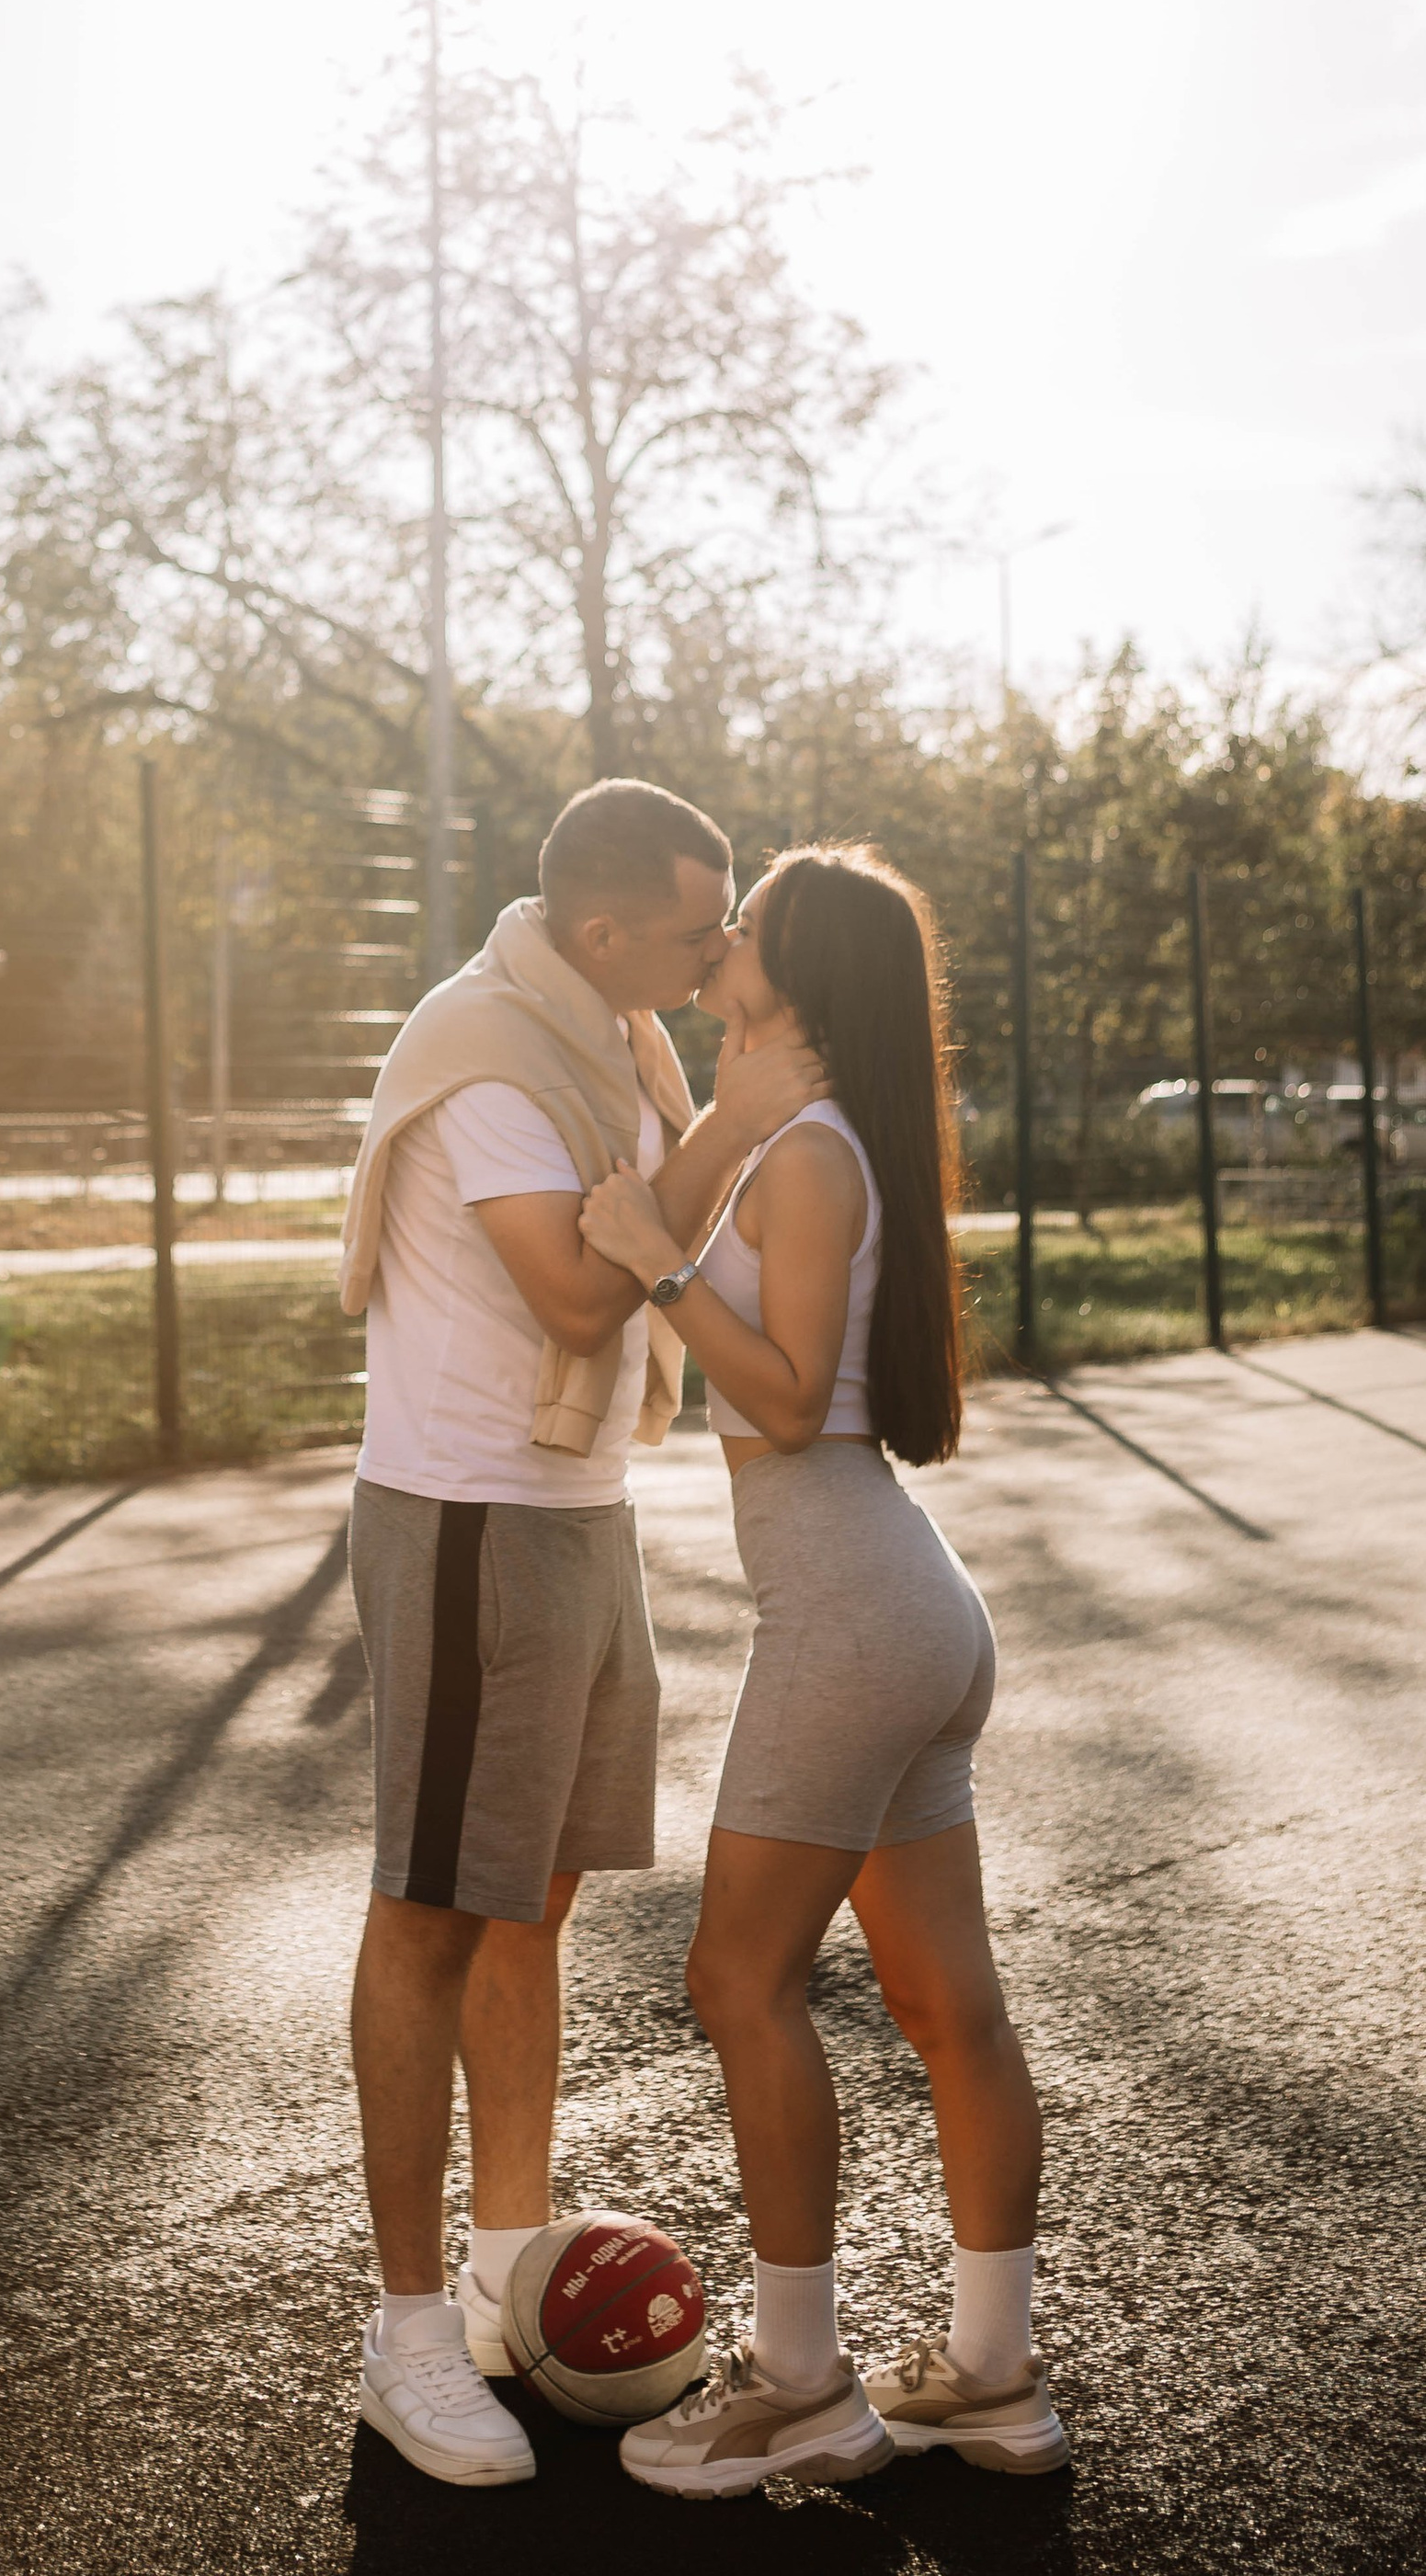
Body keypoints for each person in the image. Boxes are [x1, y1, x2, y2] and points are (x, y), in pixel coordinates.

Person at [337, 781, 827, 2489]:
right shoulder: (484, 1047)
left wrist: (720, 1123)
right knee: (425, 1912)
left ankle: (501, 2264)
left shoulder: (614, 1030)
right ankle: (407, 2338)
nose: (721, 957)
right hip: (467, 1520)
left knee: (528, 1905)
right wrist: (733, 1121)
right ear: (607, 929)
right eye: (703, 928)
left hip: (571, 1513)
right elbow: (572, 1285)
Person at [578, 842, 1067, 2500]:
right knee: (946, 2008)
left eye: (748, 932)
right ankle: (992, 2380)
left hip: (857, 1617)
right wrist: (689, 1172)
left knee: (738, 1981)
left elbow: (787, 1402)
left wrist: (650, 1255)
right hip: (910, 1606)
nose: (718, 946)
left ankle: (801, 2385)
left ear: (801, 975)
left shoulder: (810, 1159)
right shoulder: (815, 1139)